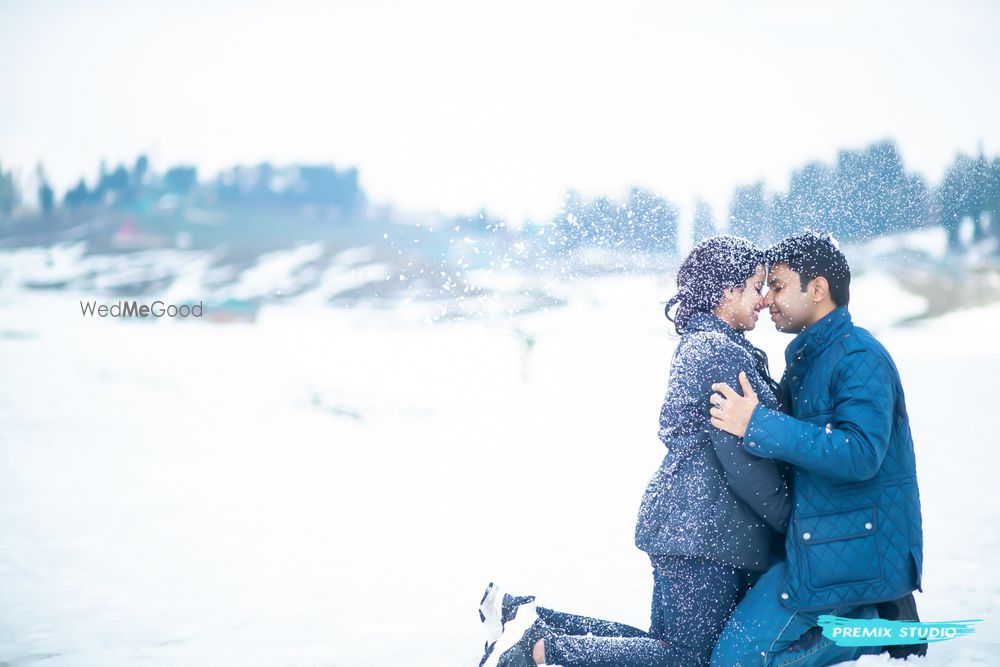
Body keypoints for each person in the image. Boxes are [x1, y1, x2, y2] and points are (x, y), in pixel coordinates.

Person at [482, 236, 792, 667]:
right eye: (755, 287)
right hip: (701, 533)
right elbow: (742, 461)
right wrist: (791, 520)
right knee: (685, 659)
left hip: (690, 527)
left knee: (666, 650)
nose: (761, 300)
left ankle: (529, 622)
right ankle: (535, 651)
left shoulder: (707, 344)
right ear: (727, 291)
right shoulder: (718, 352)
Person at [708, 231, 925, 666]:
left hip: (849, 551)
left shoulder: (858, 356)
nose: (767, 299)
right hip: (818, 546)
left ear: (818, 289)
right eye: (765, 287)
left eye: (780, 286)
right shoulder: (808, 360)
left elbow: (860, 453)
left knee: (732, 662)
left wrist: (757, 423)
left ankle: (870, 628)